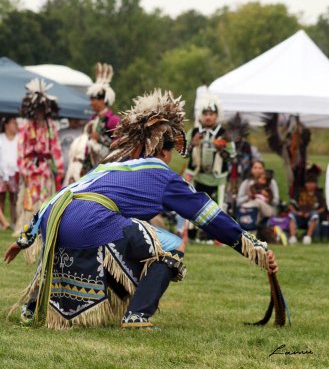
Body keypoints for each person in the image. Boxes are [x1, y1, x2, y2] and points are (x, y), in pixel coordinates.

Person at [4, 90, 278, 331]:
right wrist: (253, 247)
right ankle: (137, 315)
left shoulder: (110, 165)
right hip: (91, 223)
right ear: (165, 149)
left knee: (131, 235)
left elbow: (61, 195)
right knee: (172, 245)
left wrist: (25, 237)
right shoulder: (161, 174)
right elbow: (209, 216)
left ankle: (35, 304)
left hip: (57, 222)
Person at [13, 79, 64, 263]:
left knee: (44, 200)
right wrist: (23, 170)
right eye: (38, 109)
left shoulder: (51, 126)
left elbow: (55, 149)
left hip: (45, 171)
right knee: (30, 201)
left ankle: (44, 228)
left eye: (43, 109)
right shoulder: (26, 127)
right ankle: (27, 228)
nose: (40, 113)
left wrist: (59, 170)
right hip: (30, 170)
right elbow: (21, 148)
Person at [185, 92, 236, 209]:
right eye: (205, 114)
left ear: (217, 116)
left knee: (218, 211)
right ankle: (191, 228)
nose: (208, 117)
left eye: (211, 114)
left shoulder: (224, 134)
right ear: (200, 116)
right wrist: (193, 144)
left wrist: (221, 150)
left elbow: (232, 157)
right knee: (193, 211)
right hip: (196, 178)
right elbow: (184, 154)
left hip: (217, 181)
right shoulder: (194, 132)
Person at [82, 62, 120, 174]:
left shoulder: (113, 120)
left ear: (103, 100)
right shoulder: (92, 119)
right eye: (91, 99)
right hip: (90, 165)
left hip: (107, 167)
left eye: (94, 99)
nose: (91, 102)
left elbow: (119, 145)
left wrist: (100, 139)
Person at [288, 174, 326, 245]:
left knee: (314, 215)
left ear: (316, 184)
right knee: (291, 215)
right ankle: (293, 237)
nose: (310, 185)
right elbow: (290, 205)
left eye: (312, 183)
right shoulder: (300, 192)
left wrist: (312, 212)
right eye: (308, 183)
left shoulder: (319, 194)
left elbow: (323, 208)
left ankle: (308, 237)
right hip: (299, 215)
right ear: (305, 184)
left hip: (312, 218)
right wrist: (297, 212)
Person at [0, 116, 18, 227]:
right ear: (6, 125)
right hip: (1, 172)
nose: (15, 125)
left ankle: (14, 222)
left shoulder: (19, 138)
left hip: (15, 172)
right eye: (13, 123)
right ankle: (2, 223)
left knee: (14, 199)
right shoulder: (1, 138)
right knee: (1, 198)